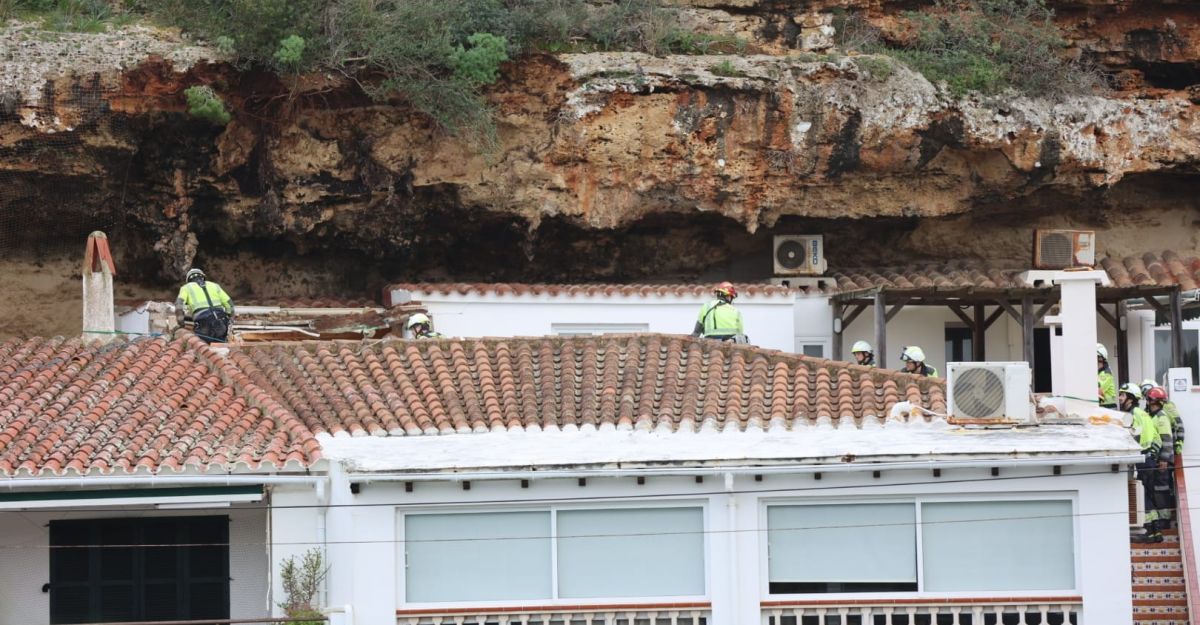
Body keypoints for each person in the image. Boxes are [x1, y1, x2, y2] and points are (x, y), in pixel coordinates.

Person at [1121, 383, 1172, 543]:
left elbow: (1132, 437)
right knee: (1148, 495)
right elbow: (1156, 438)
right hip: (1147, 459)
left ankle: (1151, 532)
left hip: (1142, 459)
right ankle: (1156, 532)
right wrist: (1153, 455)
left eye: (1122, 395)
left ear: (1130, 398)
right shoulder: (1144, 414)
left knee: (1143, 495)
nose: (1119, 398)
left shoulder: (1134, 414)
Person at [175, 268, 234, 344]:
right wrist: (229, 317)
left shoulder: (186, 288)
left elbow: (179, 305)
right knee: (222, 347)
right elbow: (229, 304)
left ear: (189, 280)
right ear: (203, 277)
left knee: (204, 349)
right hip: (221, 320)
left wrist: (181, 323)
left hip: (203, 322)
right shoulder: (215, 286)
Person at [1142, 380, 1185, 456]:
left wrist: (1179, 442)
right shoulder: (1147, 409)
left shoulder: (1168, 406)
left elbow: (1179, 424)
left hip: (1168, 442)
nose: (1147, 399)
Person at [1097, 344, 1116, 409]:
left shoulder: (1106, 373)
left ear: (1100, 358)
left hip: (1108, 408)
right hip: (1102, 407)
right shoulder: (1098, 372)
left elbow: (1098, 390)